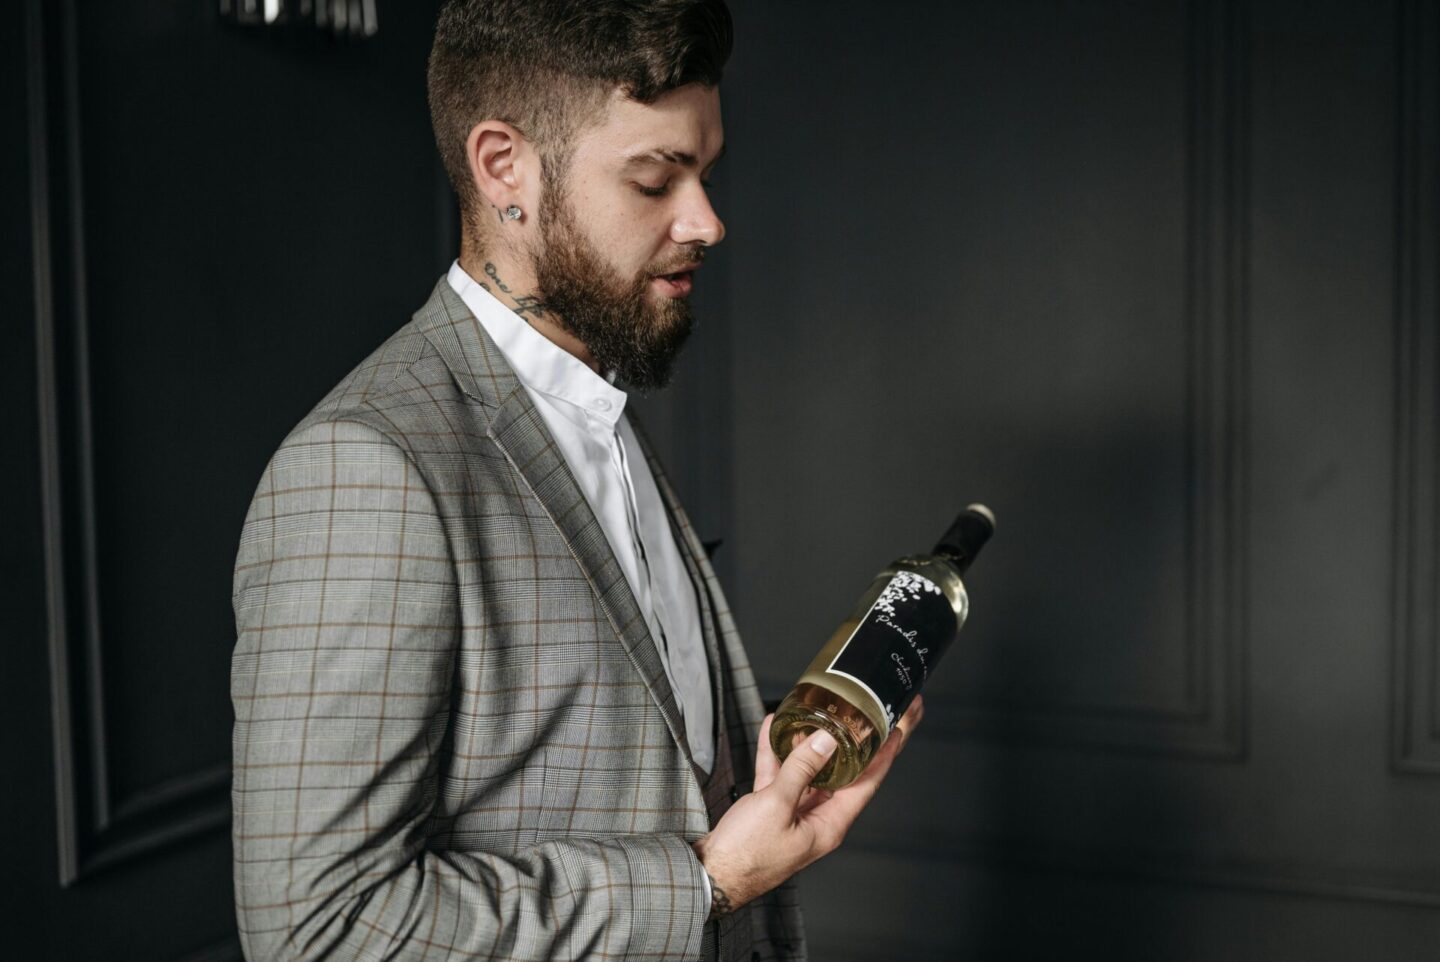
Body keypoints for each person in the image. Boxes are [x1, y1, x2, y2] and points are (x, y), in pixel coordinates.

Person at [229, 2, 922, 959]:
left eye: (706, 174)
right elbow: (320, 930)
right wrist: (707, 883)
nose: (708, 221)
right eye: (654, 179)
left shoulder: (596, 407)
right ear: (503, 166)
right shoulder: (365, 469)